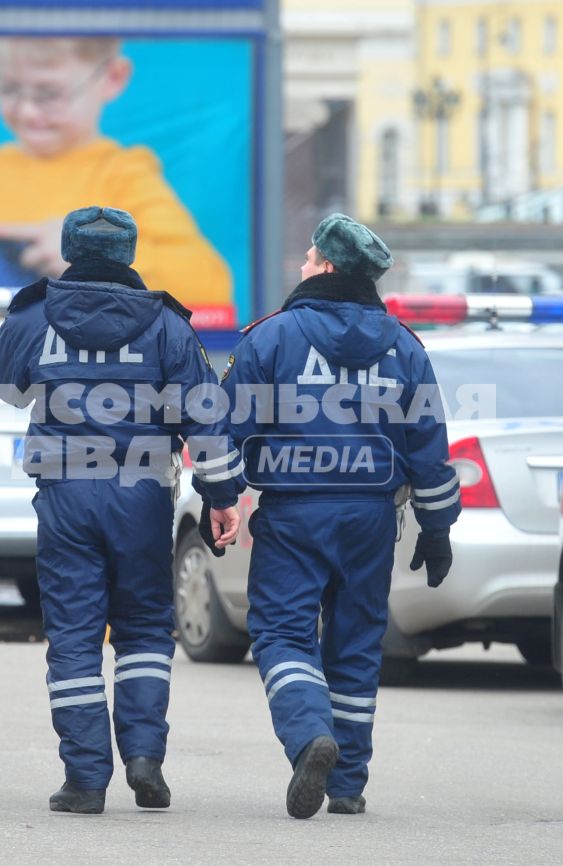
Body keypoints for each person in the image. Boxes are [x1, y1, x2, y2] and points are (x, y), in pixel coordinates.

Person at [0, 205, 243, 814]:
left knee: (74, 633)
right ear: (129, 253)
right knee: (146, 628)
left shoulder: (34, 314)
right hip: (143, 495)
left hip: (66, 495)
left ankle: (86, 780)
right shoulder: (167, 325)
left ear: (69, 251)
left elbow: (6, 386)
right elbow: (205, 418)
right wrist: (222, 498)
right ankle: (146, 756)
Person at [220, 214, 459, 819]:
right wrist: (437, 528)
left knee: (280, 632)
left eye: (307, 258)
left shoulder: (271, 338)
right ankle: (348, 782)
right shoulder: (405, 346)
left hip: (294, 514)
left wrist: (217, 497)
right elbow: (429, 444)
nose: (300, 266)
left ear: (327, 266)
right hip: (372, 517)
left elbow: (227, 431)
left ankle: (309, 737)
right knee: (355, 643)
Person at [0, 37, 233, 306]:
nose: (27, 111)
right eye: (9, 89)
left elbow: (212, 288)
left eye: (49, 94)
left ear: (112, 78)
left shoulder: (122, 173)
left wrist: (93, 259)